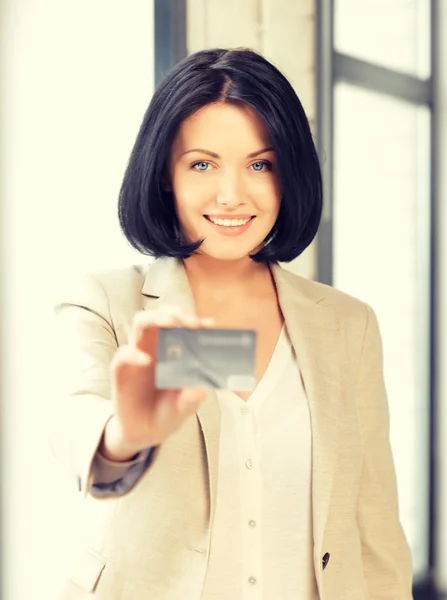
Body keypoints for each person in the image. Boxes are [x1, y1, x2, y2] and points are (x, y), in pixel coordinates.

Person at [50, 48, 413, 599]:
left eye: (260, 164)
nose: (231, 194)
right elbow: (78, 425)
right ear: (165, 175)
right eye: (202, 163)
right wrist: (127, 435)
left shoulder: (347, 326)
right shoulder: (109, 301)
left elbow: (375, 534)